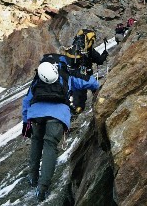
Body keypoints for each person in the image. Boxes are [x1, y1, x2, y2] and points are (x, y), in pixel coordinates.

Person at [22, 58, 99, 201]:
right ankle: (43, 188)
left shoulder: (38, 78)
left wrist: (25, 122)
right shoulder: (66, 74)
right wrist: (97, 87)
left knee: (36, 141)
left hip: (36, 115)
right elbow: (89, 81)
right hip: (57, 116)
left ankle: (32, 178)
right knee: (50, 146)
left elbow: (26, 100)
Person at [63, 29, 108, 114]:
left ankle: (75, 109)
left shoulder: (73, 49)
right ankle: (95, 104)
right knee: (85, 93)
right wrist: (104, 54)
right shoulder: (89, 50)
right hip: (85, 76)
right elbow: (99, 60)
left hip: (72, 76)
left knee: (76, 95)